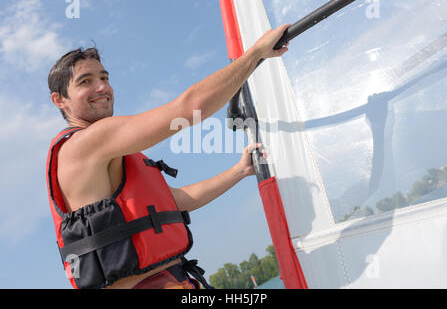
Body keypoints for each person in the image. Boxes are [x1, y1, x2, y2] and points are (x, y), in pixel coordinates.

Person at [45, 24, 290, 289]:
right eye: (86, 81)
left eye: (104, 78)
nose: (102, 87)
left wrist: (239, 171)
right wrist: (255, 54)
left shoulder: (109, 154)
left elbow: (175, 201)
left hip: (176, 279)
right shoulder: (86, 144)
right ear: (59, 100)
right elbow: (188, 109)